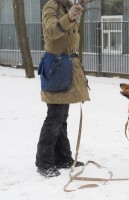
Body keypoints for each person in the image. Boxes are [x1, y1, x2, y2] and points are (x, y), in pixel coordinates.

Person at [36, 0, 90, 177]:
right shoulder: (52, 6)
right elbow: (52, 31)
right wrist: (70, 16)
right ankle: (44, 162)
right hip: (56, 66)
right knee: (54, 117)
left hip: (66, 64)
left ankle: (63, 157)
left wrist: (72, 13)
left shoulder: (67, 6)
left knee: (62, 116)